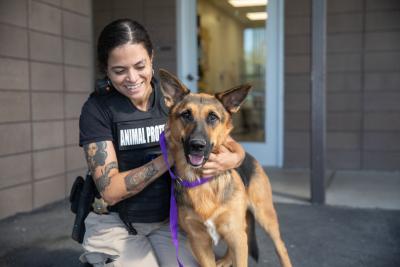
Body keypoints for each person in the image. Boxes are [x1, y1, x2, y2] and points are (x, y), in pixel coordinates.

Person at [78, 18, 245, 267]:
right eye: (119, 70)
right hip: (115, 223)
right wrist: (169, 157)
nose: (132, 78)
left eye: (139, 65)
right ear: (106, 69)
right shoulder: (97, 109)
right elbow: (110, 192)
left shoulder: (175, 101)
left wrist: (234, 158)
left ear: (152, 58)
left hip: (168, 220)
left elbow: (224, 139)